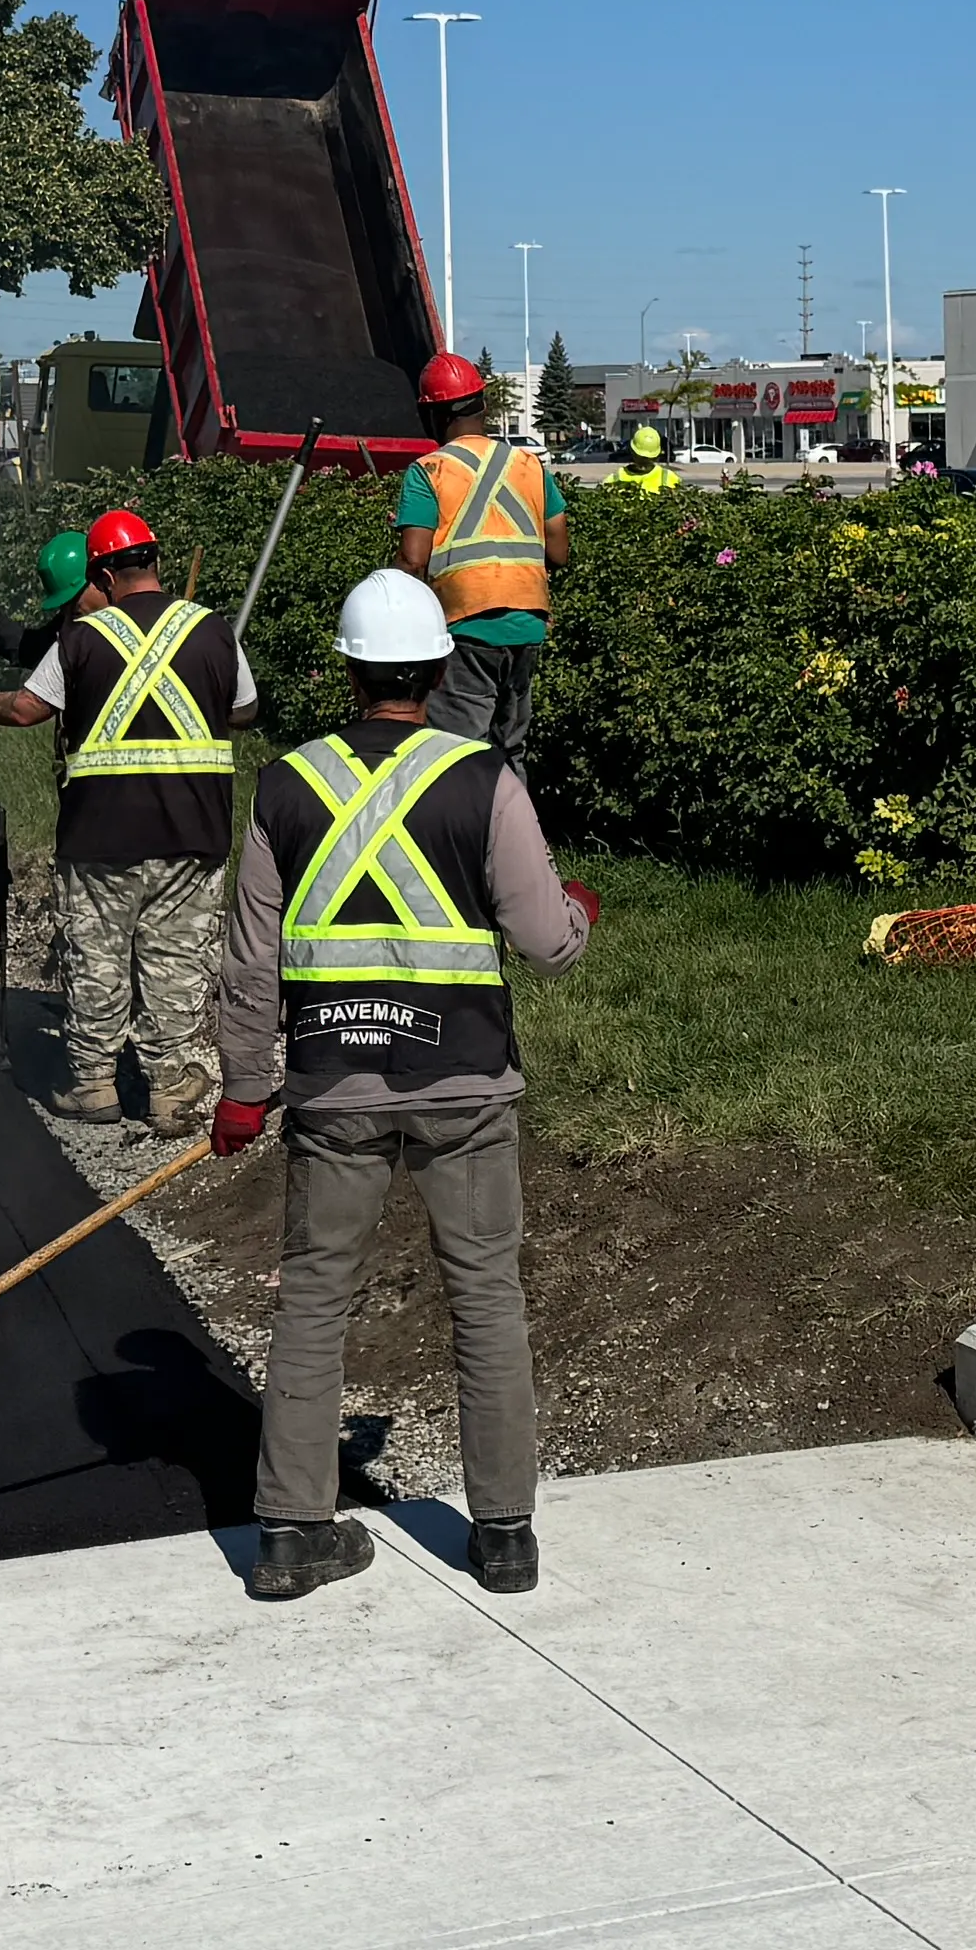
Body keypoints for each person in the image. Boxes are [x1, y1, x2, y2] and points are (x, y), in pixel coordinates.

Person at [211, 564, 595, 1603]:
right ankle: (504, 1537)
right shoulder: (483, 778)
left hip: (332, 1092)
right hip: (463, 1085)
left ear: (348, 670)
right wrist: (578, 915)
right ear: (437, 668)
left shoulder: (286, 785)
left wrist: (244, 1086)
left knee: (313, 1303)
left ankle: (291, 1536)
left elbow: (249, 963)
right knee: (486, 1299)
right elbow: (547, 944)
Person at [0, 503, 252, 1126]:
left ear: (101, 576)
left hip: (100, 834)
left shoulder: (78, 641)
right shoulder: (212, 630)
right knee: (175, 961)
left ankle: (95, 1086)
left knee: (97, 959)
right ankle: (169, 1086)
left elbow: (25, 710)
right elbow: (245, 711)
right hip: (193, 832)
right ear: (156, 560)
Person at [391, 349, 566, 762]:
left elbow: (413, 560)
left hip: (466, 625)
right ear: (483, 406)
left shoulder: (429, 470)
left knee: (459, 753)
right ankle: (510, 805)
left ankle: (464, 806)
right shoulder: (528, 464)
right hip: (528, 623)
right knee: (510, 749)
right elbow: (558, 552)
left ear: (433, 415)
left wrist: (385, 597)